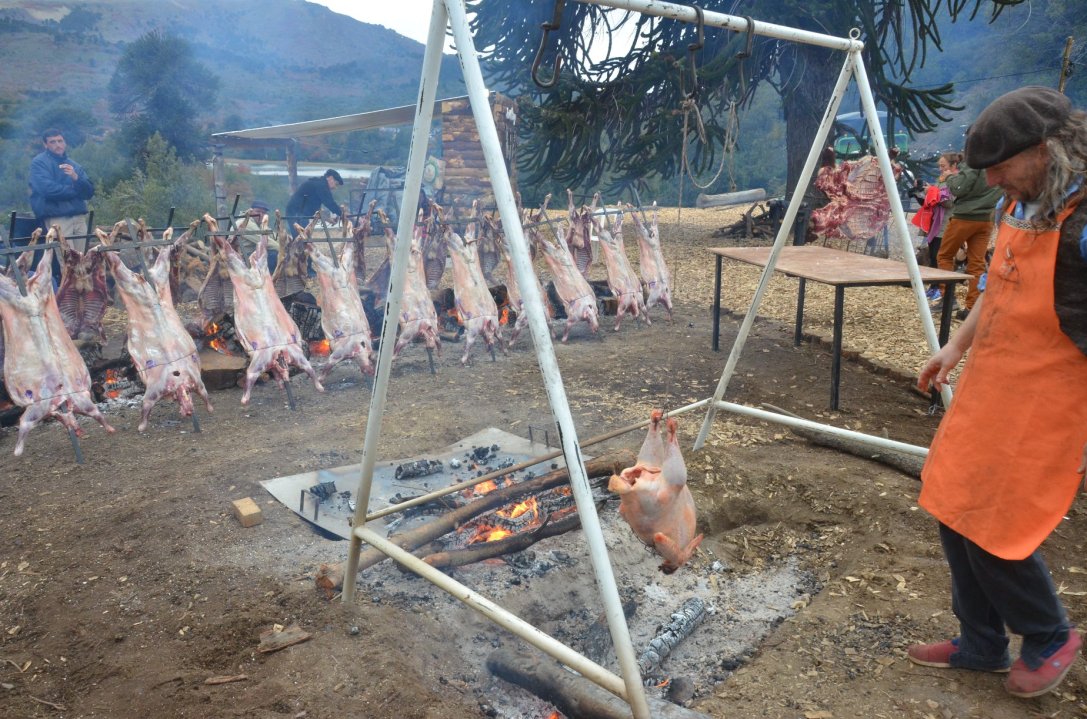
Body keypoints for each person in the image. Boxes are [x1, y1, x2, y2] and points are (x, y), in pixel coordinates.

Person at [912, 86, 1087, 699]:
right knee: (951, 504)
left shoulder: (1082, 223)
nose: (992, 182)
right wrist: (954, 348)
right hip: (992, 384)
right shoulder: (1020, 202)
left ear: (1044, 150)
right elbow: (997, 285)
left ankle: (1049, 636)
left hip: (1049, 401)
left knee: (995, 526)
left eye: (1000, 168)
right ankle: (981, 642)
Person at [934, 149, 1002, 319]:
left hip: (965, 217)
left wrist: (949, 177)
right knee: (977, 262)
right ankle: (971, 307)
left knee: (945, 256)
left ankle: (948, 299)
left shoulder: (975, 162)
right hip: (986, 219)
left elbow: (959, 188)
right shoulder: (1001, 162)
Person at [28, 128, 95, 252]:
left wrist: (75, 177)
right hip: (57, 218)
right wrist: (76, 189)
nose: (57, 145)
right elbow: (48, 191)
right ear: (45, 145)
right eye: (52, 142)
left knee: (82, 258)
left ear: (65, 143)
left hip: (79, 217)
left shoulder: (74, 165)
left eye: (60, 141)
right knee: (66, 258)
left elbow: (89, 192)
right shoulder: (39, 163)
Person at [285, 169, 344, 237]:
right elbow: (330, 203)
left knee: (302, 237)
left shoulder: (319, 184)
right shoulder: (321, 185)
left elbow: (316, 209)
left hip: (300, 213)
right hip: (296, 213)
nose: (335, 187)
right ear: (330, 178)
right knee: (301, 237)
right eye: (336, 184)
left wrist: (328, 219)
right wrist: (342, 213)